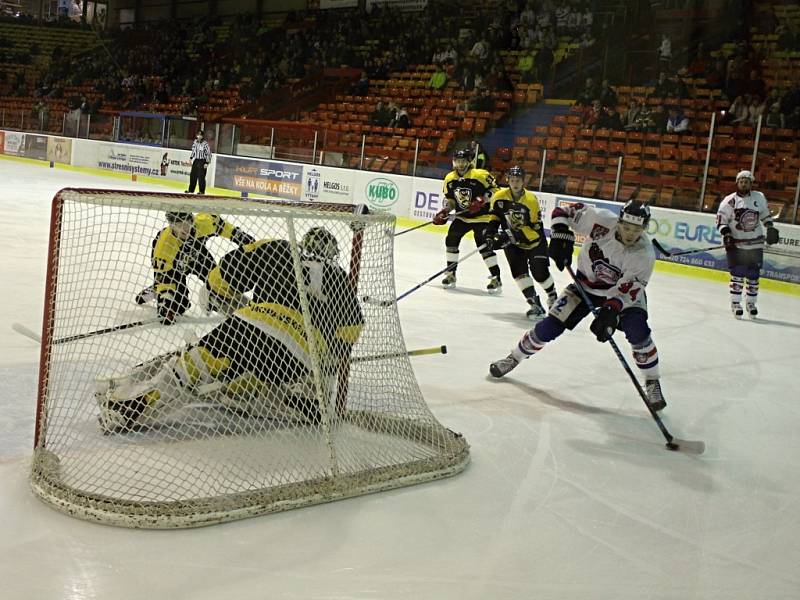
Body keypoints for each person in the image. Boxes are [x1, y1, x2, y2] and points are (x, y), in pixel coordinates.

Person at [97, 228, 364, 434]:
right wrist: (318, 362)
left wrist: (219, 294)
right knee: (268, 372)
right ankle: (292, 392)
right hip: (296, 354)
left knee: (195, 363)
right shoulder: (340, 279)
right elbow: (350, 332)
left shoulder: (278, 248)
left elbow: (224, 274)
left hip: (252, 324)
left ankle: (132, 400)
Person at [488, 200, 668, 413]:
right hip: (585, 286)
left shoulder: (643, 254)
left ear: (644, 228)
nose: (630, 234)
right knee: (549, 327)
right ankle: (514, 357)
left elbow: (627, 291)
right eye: (626, 227)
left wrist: (610, 312)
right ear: (618, 221)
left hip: (622, 296)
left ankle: (652, 380)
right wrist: (560, 233)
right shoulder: (600, 221)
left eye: (636, 229)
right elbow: (563, 211)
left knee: (638, 332)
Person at [135, 212, 255, 325]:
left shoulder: (203, 223)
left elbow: (221, 226)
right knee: (179, 306)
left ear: (192, 221)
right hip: (174, 268)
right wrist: (166, 300)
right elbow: (164, 277)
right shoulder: (164, 246)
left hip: (199, 257)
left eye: (186, 224)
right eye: (178, 226)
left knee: (217, 282)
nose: (183, 230)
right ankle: (157, 291)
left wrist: (239, 236)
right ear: (171, 226)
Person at [484, 166, 557, 320]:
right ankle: (534, 304)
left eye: (518, 180)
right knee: (519, 273)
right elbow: (495, 217)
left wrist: (509, 235)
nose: (515, 183)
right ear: (507, 180)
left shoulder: (531, 200)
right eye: (512, 180)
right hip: (513, 243)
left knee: (539, 273)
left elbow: (535, 228)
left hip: (534, 241)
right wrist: (490, 233)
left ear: (523, 181)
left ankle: (552, 295)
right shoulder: (499, 196)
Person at [432, 148, 502, 292]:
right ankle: (451, 274)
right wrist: (445, 211)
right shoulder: (450, 178)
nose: (460, 164)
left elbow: (497, 190)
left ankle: (496, 278)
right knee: (451, 239)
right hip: (462, 217)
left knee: (483, 244)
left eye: (463, 161)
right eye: (458, 161)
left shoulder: (481, 175)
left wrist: (482, 199)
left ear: (470, 162)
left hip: (483, 217)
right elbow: (451, 200)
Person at [716, 170, 780, 318]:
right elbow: (721, 220)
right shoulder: (729, 201)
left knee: (753, 275)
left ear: (751, 183)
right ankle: (736, 303)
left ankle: (751, 303)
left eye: (747, 181)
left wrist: (770, 227)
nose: (744, 184)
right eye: (741, 181)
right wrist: (727, 234)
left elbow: (764, 214)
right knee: (737, 274)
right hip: (736, 244)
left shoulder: (759, 197)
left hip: (755, 244)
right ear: (737, 183)